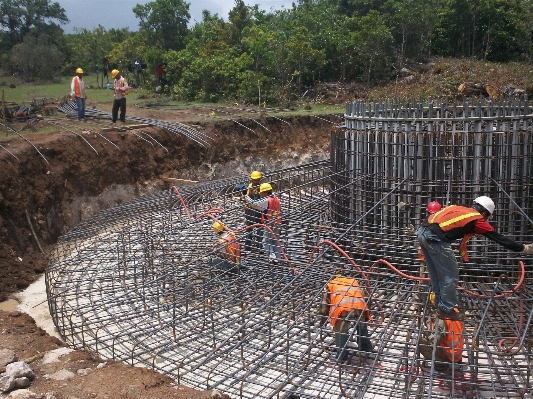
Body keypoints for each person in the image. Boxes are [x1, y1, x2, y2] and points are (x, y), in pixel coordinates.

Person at [417, 196, 533, 320]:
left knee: (436, 273)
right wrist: (522, 248)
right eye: (486, 217)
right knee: (450, 275)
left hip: (422, 232)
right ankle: (446, 308)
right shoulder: (476, 219)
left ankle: (440, 303)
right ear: (484, 213)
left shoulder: (460, 208)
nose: (485, 219)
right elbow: (498, 237)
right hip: (435, 239)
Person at [319, 276, 374, 362]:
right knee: (362, 327)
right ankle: (366, 347)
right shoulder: (353, 281)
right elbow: (367, 296)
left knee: (341, 332)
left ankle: (342, 356)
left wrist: (323, 319)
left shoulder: (330, 284)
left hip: (343, 310)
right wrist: (366, 314)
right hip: (359, 307)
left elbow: (324, 305)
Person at [242, 182, 282, 261]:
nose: (261, 195)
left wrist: (245, 196)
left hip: (270, 223)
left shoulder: (266, 200)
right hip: (278, 222)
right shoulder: (276, 198)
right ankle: (278, 257)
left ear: (265, 192)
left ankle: (272, 258)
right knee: (275, 241)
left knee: (266, 241)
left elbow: (254, 204)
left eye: (262, 193)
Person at [241, 171, 264, 253]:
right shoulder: (249, 187)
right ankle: (247, 247)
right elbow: (245, 197)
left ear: (260, 179)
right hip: (249, 211)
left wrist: (258, 193)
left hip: (258, 211)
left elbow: (265, 199)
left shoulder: (262, 187)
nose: (255, 181)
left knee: (259, 229)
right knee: (249, 229)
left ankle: (259, 247)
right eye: (254, 180)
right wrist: (244, 198)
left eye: (257, 180)